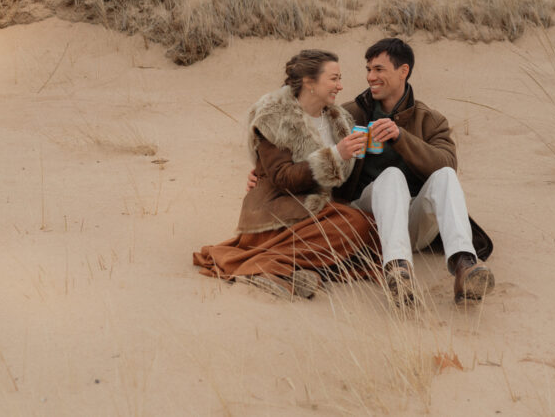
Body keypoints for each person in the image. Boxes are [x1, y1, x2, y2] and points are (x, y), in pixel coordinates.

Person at [248, 38, 494, 306]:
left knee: (445, 175)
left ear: (403, 71)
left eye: (378, 70)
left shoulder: (430, 120)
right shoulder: (348, 115)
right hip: (365, 220)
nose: (370, 77)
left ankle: (464, 266)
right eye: (368, 69)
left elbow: (447, 163)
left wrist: (401, 137)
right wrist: (263, 176)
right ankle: (398, 271)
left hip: (415, 221)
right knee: (391, 176)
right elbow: (305, 153)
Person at [193, 49, 379, 299]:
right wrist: (336, 155)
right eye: (334, 79)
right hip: (278, 212)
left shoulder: (340, 119)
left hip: (317, 211)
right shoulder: (275, 118)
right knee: (354, 225)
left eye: (340, 78)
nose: (341, 86)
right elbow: (283, 178)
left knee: (370, 228)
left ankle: (289, 269)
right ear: (309, 82)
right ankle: (263, 266)